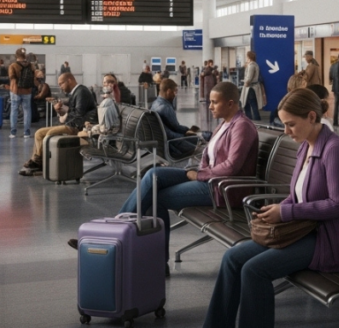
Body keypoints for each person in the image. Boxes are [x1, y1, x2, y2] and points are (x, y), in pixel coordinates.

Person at [203, 88, 339, 328]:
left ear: (312, 117)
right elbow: (298, 195)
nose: (286, 131)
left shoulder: (334, 150)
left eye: (291, 124)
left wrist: (286, 212)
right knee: (233, 258)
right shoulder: (306, 145)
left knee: (254, 271)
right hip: (301, 228)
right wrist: (278, 208)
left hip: (324, 238)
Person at [69, 82, 259, 271]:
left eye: (214, 102)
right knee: (153, 174)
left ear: (231, 103)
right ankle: (122, 239)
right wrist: (197, 170)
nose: (209, 106)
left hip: (220, 189)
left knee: (155, 199)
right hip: (208, 179)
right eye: (210, 102)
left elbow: (231, 167)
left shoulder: (241, 127)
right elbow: (208, 155)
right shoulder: (225, 124)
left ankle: (115, 239)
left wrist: (199, 174)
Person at [22, 73, 97, 175]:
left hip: (77, 127)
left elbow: (79, 115)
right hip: (72, 124)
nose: (60, 87)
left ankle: (39, 163)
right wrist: (61, 112)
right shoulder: (76, 92)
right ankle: (38, 162)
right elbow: (72, 112)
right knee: (39, 133)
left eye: (61, 84)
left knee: (50, 133)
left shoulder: (81, 92)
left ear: (69, 80)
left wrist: (64, 123)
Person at [151, 79, 199, 158]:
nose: (175, 94)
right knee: (205, 142)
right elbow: (176, 127)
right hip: (173, 146)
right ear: (169, 91)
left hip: (163, 143)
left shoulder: (155, 104)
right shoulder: (166, 108)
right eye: (175, 91)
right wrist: (187, 131)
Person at [9, 48, 36, 137]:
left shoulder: (13, 65)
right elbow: (34, 77)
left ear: (16, 55)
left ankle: (13, 132)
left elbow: (12, 78)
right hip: (27, 91)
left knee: (14, 110)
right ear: (25, 55)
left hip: (15, 91)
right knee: (27, 111)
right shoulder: (31, 65)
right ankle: (26, 133)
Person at [241, 51, 264, 121]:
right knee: (250, 103)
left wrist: (245, 81)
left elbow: (249, 77)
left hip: (250, 87)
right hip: (253, 87)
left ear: (249, 57)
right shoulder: (255, 64)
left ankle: (253, 119)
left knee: (250, 103)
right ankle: (253, 119)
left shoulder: (251, 65)